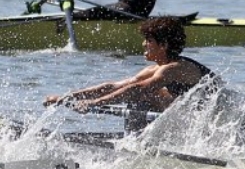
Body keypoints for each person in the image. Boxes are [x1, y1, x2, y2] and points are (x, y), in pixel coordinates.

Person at [44, 15, 219, 114]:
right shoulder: (155, 69)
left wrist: (93, 103)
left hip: (219, 117)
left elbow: (139, 89)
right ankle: (137, 141)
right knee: (136, 92)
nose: (144, 45)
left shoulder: (175, 69)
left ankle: (138, 144)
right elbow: (113, 86)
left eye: (148, 40)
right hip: (195, 116)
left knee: (145, 94)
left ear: (164, 45)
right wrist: (66, 97)